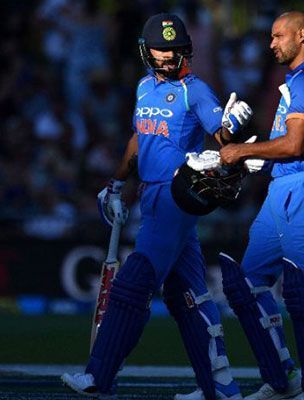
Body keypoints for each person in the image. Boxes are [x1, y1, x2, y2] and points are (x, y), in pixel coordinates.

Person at [60, 13, 252, 400]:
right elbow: (138, 141)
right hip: (149, 194)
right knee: (187, 295)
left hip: (177, 194)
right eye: (160, 49)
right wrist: (116, 184)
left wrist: (235, 124)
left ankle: (99, 375)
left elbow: (222, 135)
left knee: (134, 282)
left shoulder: (195, 91)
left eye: (174, 49)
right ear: (147, 51)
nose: (166, 56)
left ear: (186, 50)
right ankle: (220, 387)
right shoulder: (145, 87)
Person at [218, 11, 304, 400]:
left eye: (277, 36)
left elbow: (295, 145)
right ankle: (282, 376)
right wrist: (259, 158)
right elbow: (285, 148)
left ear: (302, 35)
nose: (271, 44)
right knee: (248, 284)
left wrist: (240, 150)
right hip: (282, 190)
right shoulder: (300, 80)